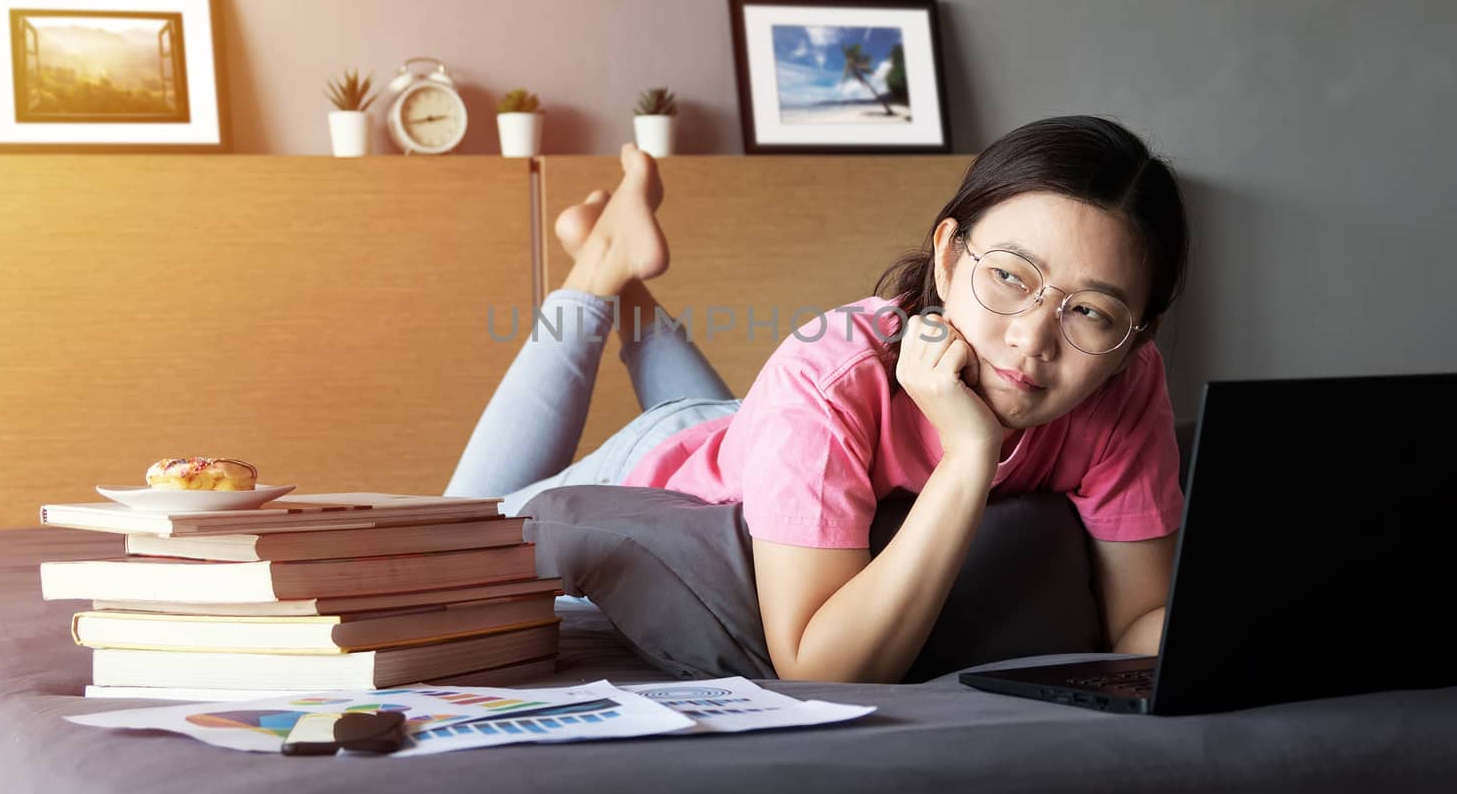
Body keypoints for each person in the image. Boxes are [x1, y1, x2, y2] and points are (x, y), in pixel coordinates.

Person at [447, 115, 1190, 684]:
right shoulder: (834, 368)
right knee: (449, 527)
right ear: (946, 252)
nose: (1033, 339)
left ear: (1137, 333)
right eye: (1009, 275)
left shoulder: (1127, 383)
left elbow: (1138, 626)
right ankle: (603, 266)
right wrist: (970, 454)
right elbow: (818, 668)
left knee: (745, 414)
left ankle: (620, 268)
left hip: (753, 429)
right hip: (668, 458)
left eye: (1090, 311)